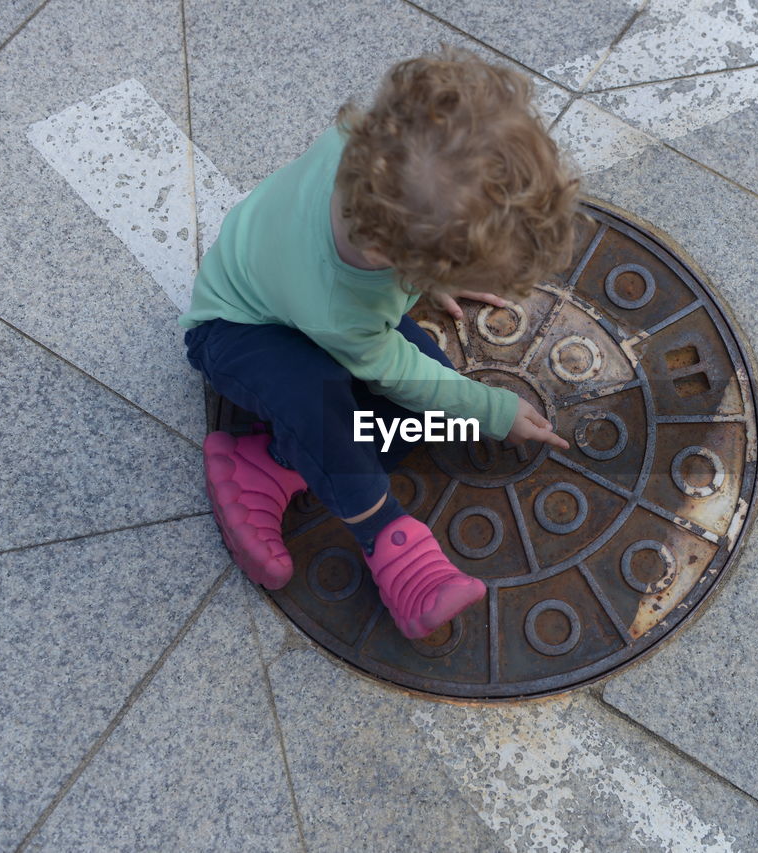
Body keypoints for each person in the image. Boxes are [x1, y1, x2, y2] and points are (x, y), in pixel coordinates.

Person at [180, 44, 580, 639]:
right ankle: (386, 537)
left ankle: (276, 466)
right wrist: (491, 407)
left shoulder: (365, 143)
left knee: (426, 418)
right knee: (332, 404)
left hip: (310, 299)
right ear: (395, 257)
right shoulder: (345, 307)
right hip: (236, 329)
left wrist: (423, 276)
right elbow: (392, 367)